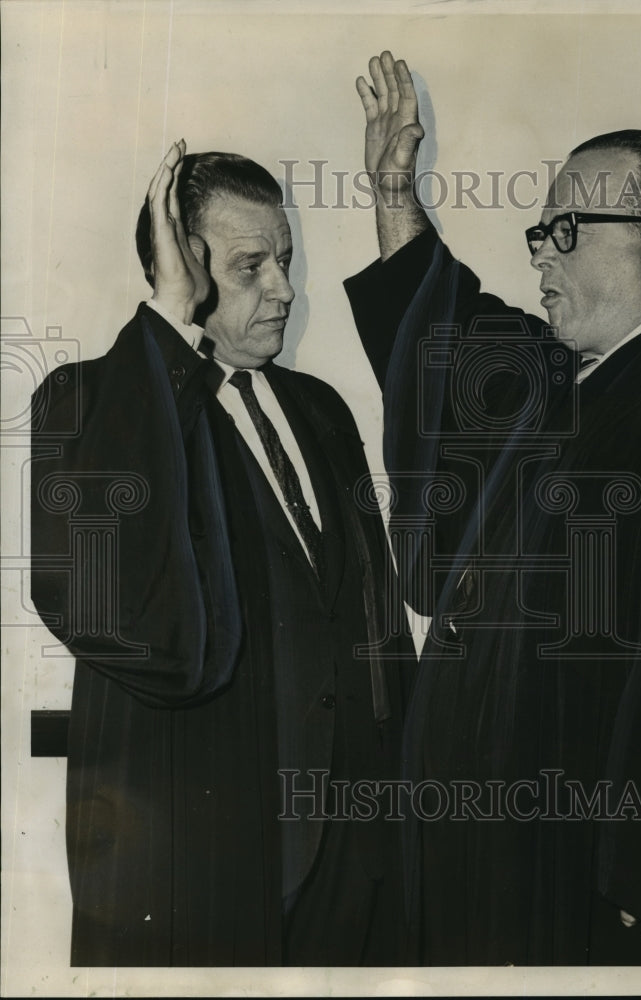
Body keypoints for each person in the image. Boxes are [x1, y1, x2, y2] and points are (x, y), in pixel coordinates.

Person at [343, 52, 641, 967]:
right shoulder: (556, 381)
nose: (541, 248)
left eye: (569, 228)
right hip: (492, 846)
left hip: (592, 867)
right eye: (541, 229)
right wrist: (393, 186)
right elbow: (442, 319)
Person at [30, 141, 415, 967]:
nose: (285, 287)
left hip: (349, 859)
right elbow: (105, 603)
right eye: (251, 268)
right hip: (195, 867)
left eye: (284, 259)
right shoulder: (91, 403)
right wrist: (168, 321)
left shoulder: (324, 412)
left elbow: (378, 624)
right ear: (189, 273)